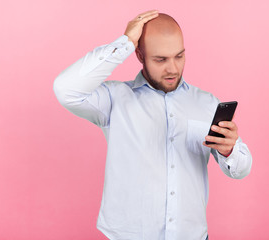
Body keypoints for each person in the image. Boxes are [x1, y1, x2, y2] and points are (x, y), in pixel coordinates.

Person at [53, 10, 252, 240]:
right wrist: (125, 42)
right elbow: (65, 89)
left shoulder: (207, 103)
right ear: (139, 55)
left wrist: (230, 150)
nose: (173, 69)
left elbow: (242, 169)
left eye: (179, 56)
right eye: (161, 59)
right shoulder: (114, 99)